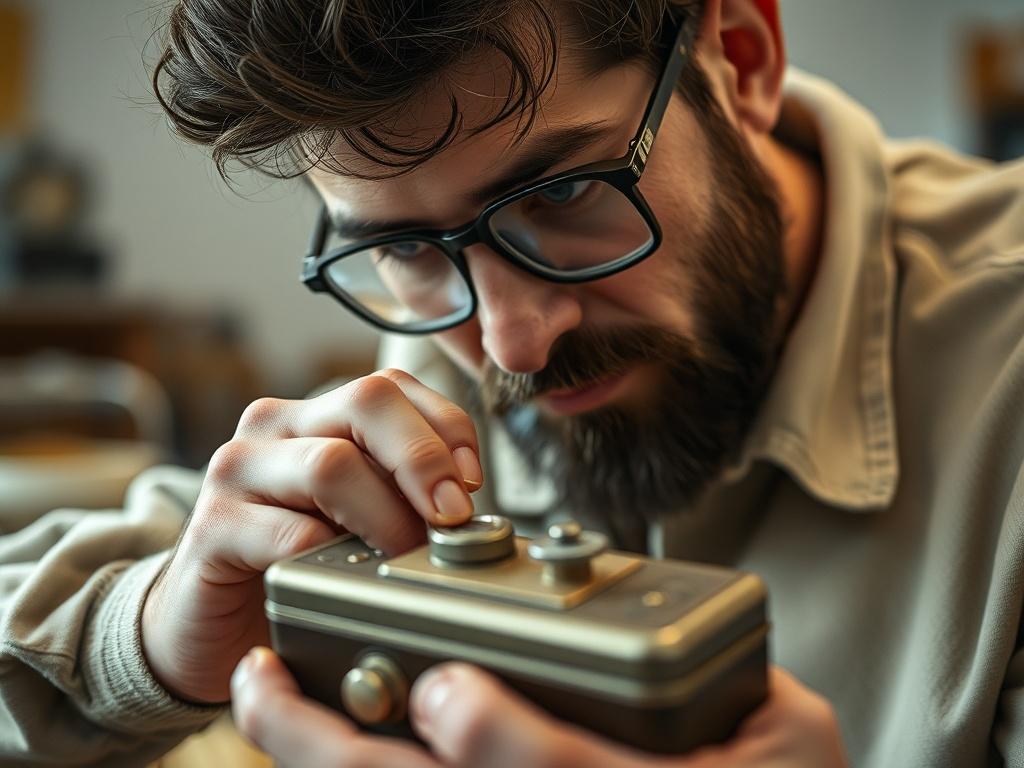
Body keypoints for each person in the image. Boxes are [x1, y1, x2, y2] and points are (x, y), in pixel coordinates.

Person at [0, 0, 1021, 765]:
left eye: (566, 191)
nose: (508, 343)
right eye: (403, 248)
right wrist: (147, 639)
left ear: (742, 59)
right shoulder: (442, 338)